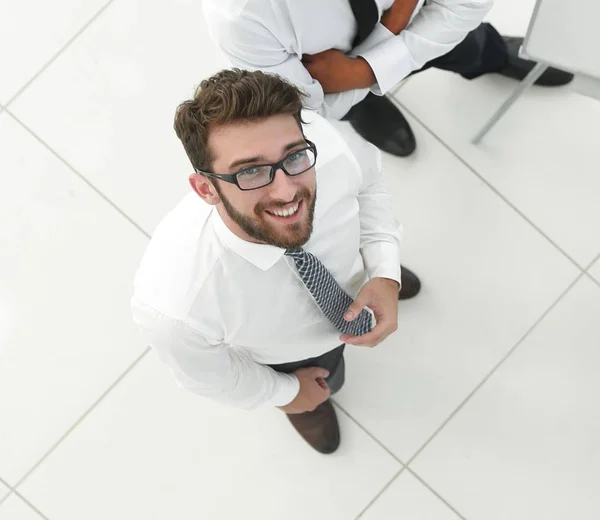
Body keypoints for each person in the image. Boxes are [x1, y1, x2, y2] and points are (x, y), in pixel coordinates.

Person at [131, 69, 404, 454]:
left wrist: (384, 271)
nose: (286, 189)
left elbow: (369, 184)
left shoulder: (326, 143)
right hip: (295, 357)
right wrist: (289, 392)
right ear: (206, 188)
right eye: (251, 171)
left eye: (293, 157)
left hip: (353, 268)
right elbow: (213, 376)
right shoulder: (176, 308)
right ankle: (312, 403)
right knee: (326, 379)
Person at [203, 0, 573, 157]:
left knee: (470, 46)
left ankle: (490, 56)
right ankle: (368, 109)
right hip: (345, 74)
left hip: (424, 20)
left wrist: (365, 69)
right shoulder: (240, 21)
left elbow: (465, 3)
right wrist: (394, 23)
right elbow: (311, 111)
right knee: (346, 104)